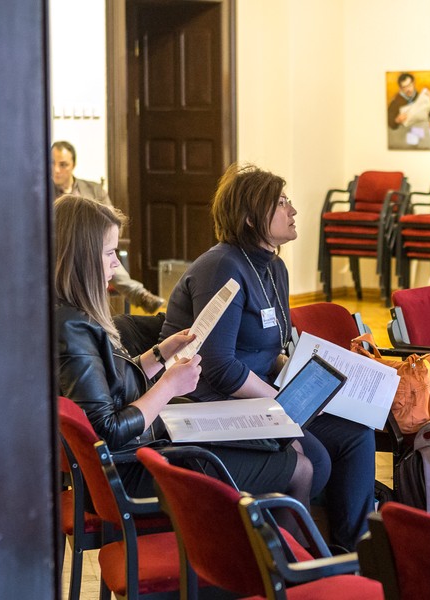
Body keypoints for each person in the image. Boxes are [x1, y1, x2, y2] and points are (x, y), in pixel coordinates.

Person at [161, 163, 376, 551]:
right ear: (249, 217)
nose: (293, 210)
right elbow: (219, 366)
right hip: (213, 403)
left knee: (356, 436)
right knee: (316, 459)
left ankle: (351, 556)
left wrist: (327, 372)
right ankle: (286, 565)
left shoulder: (273, 266)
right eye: (280, 202)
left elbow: (270, 350)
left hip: (261, 396)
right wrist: (281, 404)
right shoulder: (222, 265)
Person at [54, 194, 313, 511]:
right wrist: (168, 387)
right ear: (81, 257)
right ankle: (286, 559)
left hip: (140, 453)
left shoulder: (73, 317)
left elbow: (110, 383)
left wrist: (159, 355)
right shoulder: (72, 328)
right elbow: (107, 431)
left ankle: (264, 554)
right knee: (298, 466)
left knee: (287, 451)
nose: (116, 263)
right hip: (129, 472)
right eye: (109, 252)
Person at [52, 140, 165, 313]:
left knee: (104, 255)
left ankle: (140, 296)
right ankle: (138, 294)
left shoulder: (93, 189)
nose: (56, 170)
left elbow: (111, 221)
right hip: (64, 250)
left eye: (63, 165)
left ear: (73, 165)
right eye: (52, 163)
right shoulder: (43, 192)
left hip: (95, 244)